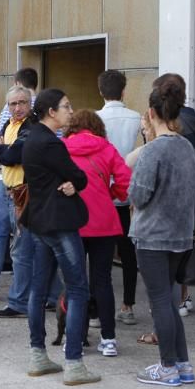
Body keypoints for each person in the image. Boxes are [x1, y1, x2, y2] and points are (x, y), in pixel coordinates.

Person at [20, 88, 99, 385]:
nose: (70, 111)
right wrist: (73, 182)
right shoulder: (50, 143)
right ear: (51, 112)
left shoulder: (31, 138)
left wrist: (68, 181)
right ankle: (74, 363)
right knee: (78, 289)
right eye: (66, 106)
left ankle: (38, 354)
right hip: (58, 222)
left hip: (39, 221)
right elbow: (79, 176)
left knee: (38, 290)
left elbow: (61, 176)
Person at [129, 77, 195, 388]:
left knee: (160, 302)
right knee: (169, 301)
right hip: (180, 235)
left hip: (152, 235)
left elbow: (140, 194)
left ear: (152, 113)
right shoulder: (188, 149)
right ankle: (181, 363)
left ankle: (168, 366)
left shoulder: (153, 151)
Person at [63, 109, 130, 357]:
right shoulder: (107, 148)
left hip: (72, 222)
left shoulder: (62, 148)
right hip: (104, 221)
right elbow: (125, 181)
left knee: (75, 282)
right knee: (102, 281)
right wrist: (112, 194)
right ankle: (109, 339)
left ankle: (77, 338)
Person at [95, 69, 142, 327]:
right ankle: (128, 305)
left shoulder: (94, 118)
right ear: (124, 91)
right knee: (128, 252)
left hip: (102, 193)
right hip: (128, 191)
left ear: (101, 91)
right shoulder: (136, 117)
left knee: (99, 253)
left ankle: (97, 305)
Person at [0, 86, 34, 305]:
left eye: (22, 102)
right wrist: (6, 150)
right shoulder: (8, 123)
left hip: (22, 190)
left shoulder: (32, 125)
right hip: (3, 186)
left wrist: (5, 150)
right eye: (13, 104)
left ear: (29, 103)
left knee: (20, 245)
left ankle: (19, 297)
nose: (18, 108)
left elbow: (14, 154)